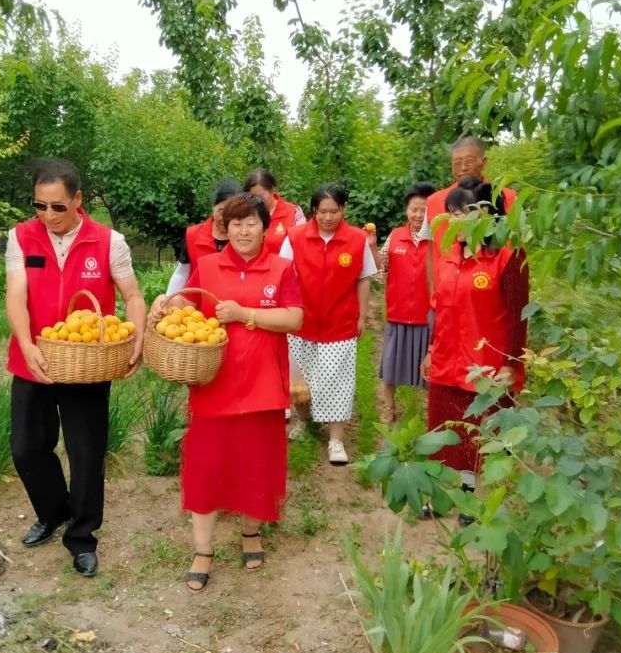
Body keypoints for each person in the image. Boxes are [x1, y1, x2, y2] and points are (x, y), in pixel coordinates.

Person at [147, 193, 303, 593]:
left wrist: (244, 315)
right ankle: (203, 549)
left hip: (263, 387)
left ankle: (251, 533)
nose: (244, 231)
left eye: (252, 223)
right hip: (214, 385)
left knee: (257, 465)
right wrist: (165, 305)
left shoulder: (281, 268)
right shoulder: (209, 266)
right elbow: (187, 302)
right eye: (236, 224)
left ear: (265, 228)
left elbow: (294, 317)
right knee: (206, 467)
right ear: (225, 228)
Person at [5, 157, 146, 577]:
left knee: (86, 453)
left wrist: (137, 337)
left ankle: (82, 537)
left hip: (87, 363)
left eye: (58, 207)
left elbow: (133, 296)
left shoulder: (109, 242)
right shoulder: (21, 237)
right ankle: (53, 512)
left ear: (78, 199)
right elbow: (16, 295)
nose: (48, 215)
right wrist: (26, 344)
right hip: (34, 359)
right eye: (39, 205)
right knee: (27, 447)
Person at [419, 186, 528, 525]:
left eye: (461, 213)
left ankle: (472, 498)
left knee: (478, 433)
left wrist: (511, 364)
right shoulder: (449, 256)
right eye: (450, 214)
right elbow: (442, 308)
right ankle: (442, 495)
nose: (454, 221)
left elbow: (518, 316)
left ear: (485, 215)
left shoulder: (507, 257)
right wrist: (431, 350)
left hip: (486, 365)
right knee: (443, 429)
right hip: (447, 357)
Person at [280, 184, 377, 465]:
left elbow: (364, 278)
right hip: (301, 322)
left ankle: (336, 439)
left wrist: (361, 316)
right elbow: (282, 276)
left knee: (337, 382)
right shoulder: (295, 237)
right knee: (299, 379)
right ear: (314, 210)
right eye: (322, 211)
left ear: (343, 209)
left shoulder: (357, 240)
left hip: (340, 323)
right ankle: (304, 420)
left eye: (334, 211)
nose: (328, 217)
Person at [421, 136, 517, 298]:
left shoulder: (506, 198)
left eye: (469, 161)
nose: (463, 168)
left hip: (490, 298)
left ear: (483, 162)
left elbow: (515, 251)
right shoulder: (433, 202)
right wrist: (433, 294)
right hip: (445, 298)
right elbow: (430, 251)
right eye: (457, 163)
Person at [372, 182, 436, 422]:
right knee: (391, 367)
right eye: (413, 209)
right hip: (398, 314)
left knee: (431, 370)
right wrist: (371, 246)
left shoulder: (438, 239)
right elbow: (379, 271)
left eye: (423, 210)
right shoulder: (396, 236)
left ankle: (432, 413)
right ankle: (389, 408)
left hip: (427, 315)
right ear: (406, 210)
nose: (418, 215)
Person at [165, 178, 240, 295]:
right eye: (220, 210)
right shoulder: (193, 235)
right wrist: (168, 299)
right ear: (213, 207)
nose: (224, 217)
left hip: (233, 301)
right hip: (196, 302)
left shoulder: (244, 238)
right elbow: (181, 274)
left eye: (231, 212)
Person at [243, 168, 306, 255]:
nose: (258, 200)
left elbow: (303, 244)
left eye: (261, 196)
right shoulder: (244, 213)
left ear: (272, 190)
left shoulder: (293, 212)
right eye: (253, 196)